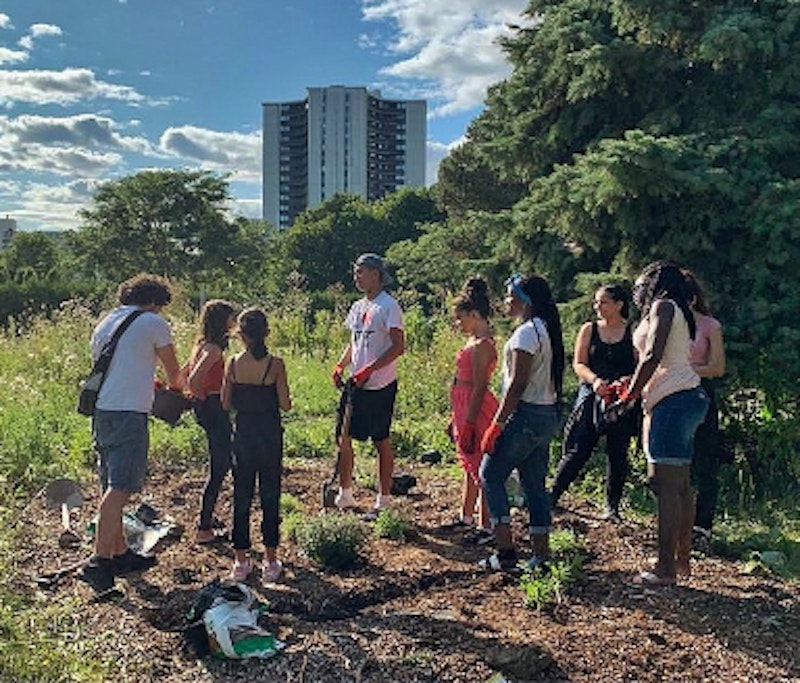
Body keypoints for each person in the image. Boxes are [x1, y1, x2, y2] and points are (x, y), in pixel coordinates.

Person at [81, 274, 184, 591]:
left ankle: (120, 552)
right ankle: (99, 562)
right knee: (122, 488)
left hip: (103, 410)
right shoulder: (152, 323)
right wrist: (176, 392)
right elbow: (175, 375)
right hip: (129, 412)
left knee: (110, 484)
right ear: (154, 302)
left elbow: (119, 367)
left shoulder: (106, 322)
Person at [612, 261, 709, 585]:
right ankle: (681, 560)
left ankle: (664, 568)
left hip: (672, 401)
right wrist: (634, 384)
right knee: (680, 485)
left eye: (640, 284)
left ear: (654, 283)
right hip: (687, 396)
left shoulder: (663, 306)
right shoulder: (678, 309)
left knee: (663, 484)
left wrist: (628, 397)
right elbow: (661, 359)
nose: (637, 290)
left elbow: (652, 355)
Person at [478, 274, 565, 571]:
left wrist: (497, 424)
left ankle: (505, 553)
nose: (505, 301)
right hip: (546, 415)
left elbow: (517, 384)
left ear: (524, 299)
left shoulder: (526, 334)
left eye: (509, 295)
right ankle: (540, 556)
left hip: (525, 415)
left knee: (490, 474)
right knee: (534, 484)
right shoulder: (546, 329)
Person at [550, 285, 638, 520]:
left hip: (620, 398)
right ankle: (553, 495)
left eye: (603, 302)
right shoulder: (589, 329)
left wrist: (628, 382)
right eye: (596, 302)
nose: (597, 307)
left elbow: (640, 364)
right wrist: (595, 381)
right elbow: (579, 363)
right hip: (592, 393)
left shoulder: (632, 331)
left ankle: (612, 506)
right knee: (580, 445)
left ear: (619, 305)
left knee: (617, 450)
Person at [331, 253, 405, 520]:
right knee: (343, 435)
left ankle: (383, 500)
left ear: (376, 274)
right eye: (355, 272)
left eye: (361, 272)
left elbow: (398, 346)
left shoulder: (389, 306)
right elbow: (354, 342)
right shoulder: (358, 307)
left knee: (380, 440)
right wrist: (341, 366)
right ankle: (345, 493)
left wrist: (370, 369)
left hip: (380, 385)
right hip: (356, 383)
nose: (357, 277)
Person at [222, 308, 291, 584]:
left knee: (241, 494)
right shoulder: (275, 364)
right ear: (267, 333)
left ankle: (240, 560)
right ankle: (271, 559)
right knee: (270, 494)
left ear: (240, 334)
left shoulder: (233, 363)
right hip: (269, 434)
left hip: (244, 433)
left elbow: (225, 403)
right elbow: (285, 404)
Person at [445, 277, 499, 542]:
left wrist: (468, 422)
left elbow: (479, 387)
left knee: (481, 466)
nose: (459, 323)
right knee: (469, 465)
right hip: (462, 404)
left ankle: (487, 525)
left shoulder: (482, 345)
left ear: (475, 315)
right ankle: (466, 515)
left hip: (475, 409)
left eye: (461, 318)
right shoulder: (473, 340)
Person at [186, 299, 237, 545]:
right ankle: (203, 527)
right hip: (214, 407)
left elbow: (183, 372)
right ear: (222, 320)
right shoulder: (214, 349)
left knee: (221, 461)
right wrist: (203, 398)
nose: (234, 322)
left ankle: (208, 517)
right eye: (231, 317)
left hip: (209, 408)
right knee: (220, 465)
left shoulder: (201, 345)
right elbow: (193, 379)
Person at [683, 270, 726, 548]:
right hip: (673, 393)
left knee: (705, 462)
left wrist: (686, 369)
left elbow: (717, 367)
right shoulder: (666, 324)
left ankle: (703, 526)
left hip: (700, 392)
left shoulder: (709, 325)